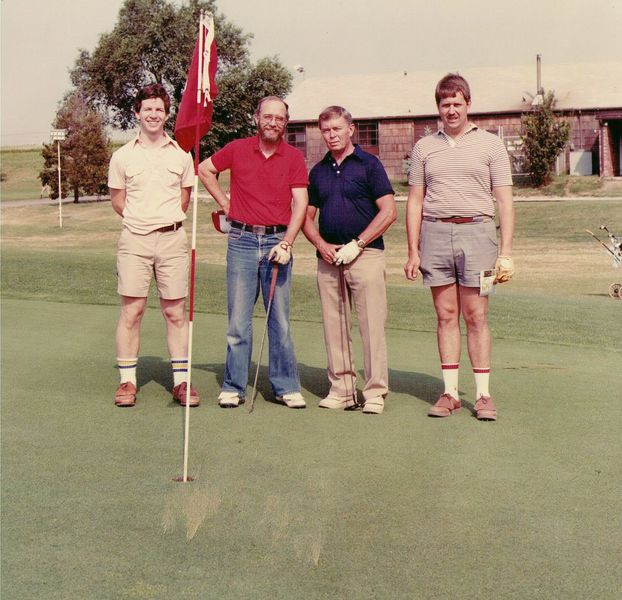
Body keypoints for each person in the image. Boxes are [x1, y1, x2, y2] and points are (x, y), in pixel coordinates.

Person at [404, 73, 515, 421]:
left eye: (457, 103)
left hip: (478, 235)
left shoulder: (490, 144)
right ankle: (450, 392)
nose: (451, 110)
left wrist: (507, 251)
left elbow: (505, 201)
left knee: (476, 316)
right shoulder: (424, 147)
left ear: (468, 104)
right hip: (435, 235)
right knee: (445, 315)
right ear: (438, 107)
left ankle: (482, 396)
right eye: (444, 104)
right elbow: (414, 201)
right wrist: (412, 250)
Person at [198, 96, 309, 409]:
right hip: (242, 241)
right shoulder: (237, 148)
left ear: (285, 123)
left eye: (279, 118)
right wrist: (226, 204)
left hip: (277, 242)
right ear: (256, 118)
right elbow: (205, 170)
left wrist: (287, 243)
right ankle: (233, 385)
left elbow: (300, 203)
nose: (273, 122)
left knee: (281, 321)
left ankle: (285, 386)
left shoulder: (293, 158)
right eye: (267, 116)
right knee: (238, 322)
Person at [108, 83, 199, 408]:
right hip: (135, 240)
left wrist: (162, 221)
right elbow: (119, 201)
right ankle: (128, 382)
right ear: (137, 113)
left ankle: (181, 382)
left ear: (166, 113)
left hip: (172, 239)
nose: (153, 115)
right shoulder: (122, 156)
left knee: (175, 312)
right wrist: (143, 221)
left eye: (159, 109)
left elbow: (184, 199)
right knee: (132, 311)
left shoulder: (181, 155)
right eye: (147, 109)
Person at [303, 106, 397, 414]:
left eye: (337, 129)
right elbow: (306, 216)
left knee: (371, 324)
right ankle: (342, 389)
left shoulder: (369, 165)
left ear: (350, 129)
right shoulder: (318, 171)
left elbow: (388, 211)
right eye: (326, 131)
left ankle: (374, 392)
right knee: (334, 325)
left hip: (365, 254)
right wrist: (321, 243)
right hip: (328, 258)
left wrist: (358, 244)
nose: (331, 135)